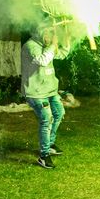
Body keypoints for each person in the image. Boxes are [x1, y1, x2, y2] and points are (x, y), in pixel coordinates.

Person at [21, 24, 71, 169]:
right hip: (36, 92)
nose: (50, 37)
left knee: (59, 113)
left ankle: (49, 144)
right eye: (47, 34)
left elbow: (61, 54)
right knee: (46, 120)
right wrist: (53, 45)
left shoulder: (47, 44)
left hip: (50, 90)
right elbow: (42, 60)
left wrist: (66, 41)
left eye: (51, 34)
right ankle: (44, 156)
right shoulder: (30, 46)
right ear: (40, 33)